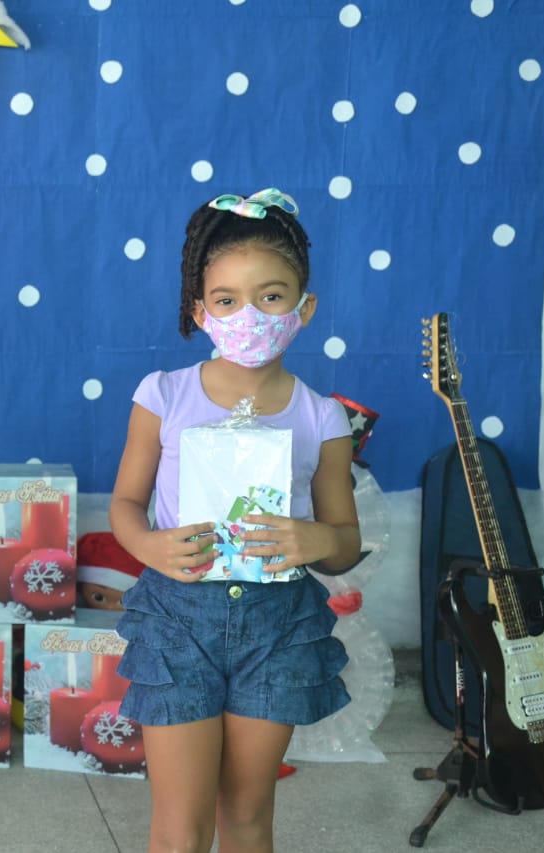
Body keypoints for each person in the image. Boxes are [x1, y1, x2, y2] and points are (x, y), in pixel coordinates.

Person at [108, 188, 360, 853]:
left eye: (271, 296)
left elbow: (345, 543)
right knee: (180, 826)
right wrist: (150, 547)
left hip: (278, 630)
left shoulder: (322, 416)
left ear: (304, 309)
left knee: (247, 815)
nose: (250, 313)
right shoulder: (163, 396)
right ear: (201, 311)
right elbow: (125, 505)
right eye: (227, 299)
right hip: (176, 623)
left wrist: (318, 540)